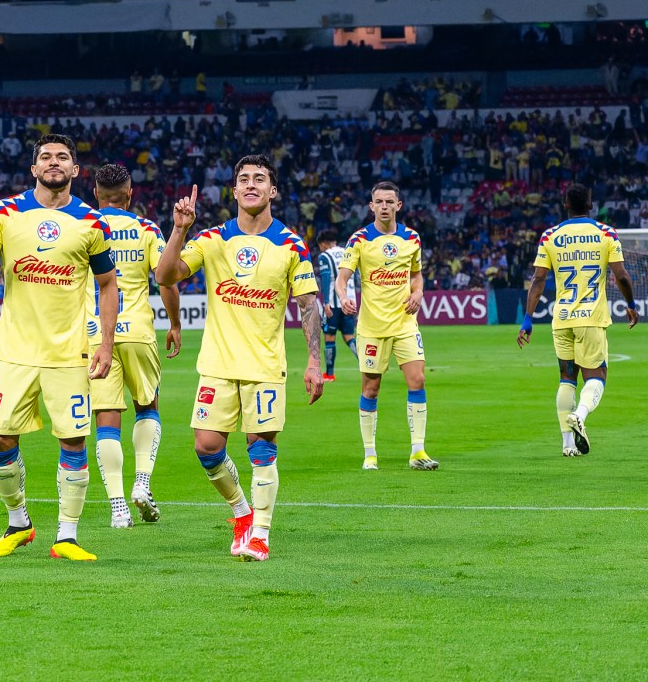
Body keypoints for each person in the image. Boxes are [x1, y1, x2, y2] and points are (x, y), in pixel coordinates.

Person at [155, 155, 323, 562]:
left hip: (265, 365)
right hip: (217, 365)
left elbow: (308, 304)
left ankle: (261, 535)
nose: (251, 185)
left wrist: (314, 361)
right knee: (206, 447)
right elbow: (166, 274)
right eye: (244, 179)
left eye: (260, 179)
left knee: (261, 448)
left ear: (273, 191)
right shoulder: (213, 240)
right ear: (233, 191)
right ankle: (242, 513)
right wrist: (179, 230)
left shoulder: (289, 243)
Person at [0, 134, 119, 562]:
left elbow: (108, 285)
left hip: (68, 354)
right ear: (33, 169)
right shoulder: (5, 212)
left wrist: (105, 343)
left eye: (63, 157)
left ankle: (66, 537)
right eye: (46, 157)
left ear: (75, 170)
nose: (54, 163)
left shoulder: (92, 223)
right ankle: (19, 524)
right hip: (14, 350)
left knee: (73, 442)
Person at [85, 163, 182, 528]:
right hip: (139, 332)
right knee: (147, 405)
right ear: (130, 194)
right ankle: (142, 482)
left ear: (95, 194)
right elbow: (166, 279)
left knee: (107, 418)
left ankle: (117, 507)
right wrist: (174, 324)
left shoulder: (84, 225)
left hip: (96, 335)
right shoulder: (147, 229)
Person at [517, 183, 639, 456]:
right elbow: (621, 275)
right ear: (591, 205)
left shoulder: (550, 236)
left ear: (565, 204)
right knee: (597, 375)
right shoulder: (605, 233)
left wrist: (527, 318)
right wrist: (630, 304)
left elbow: (537, 279)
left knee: (566, 378)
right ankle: (580, 415)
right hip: (591, 318)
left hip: (561, 318)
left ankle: (567, 444)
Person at [335, 182, 439, 472]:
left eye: (389, 202)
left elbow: (417, 276)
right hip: (372, 327)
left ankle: (418, 451)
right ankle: (370, 454)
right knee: (371, 388)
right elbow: (342, 278)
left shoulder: (412, 238)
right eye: (378, 202)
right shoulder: (359, 239)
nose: (384, 206)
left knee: (417, 380)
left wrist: (418, 293)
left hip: (405, 323)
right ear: (371, 206)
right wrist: (343, 296)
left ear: (398, 205)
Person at [315, 229, 358, 382]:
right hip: (350, 301)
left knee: (329, 337)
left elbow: (326, 279)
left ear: (323, 244)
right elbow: (356, 276)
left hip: (334, 303)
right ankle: (368, 365)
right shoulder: (347, 252)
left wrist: (326, 302)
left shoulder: (325, 256)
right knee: (349, 337)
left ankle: (329, 374)